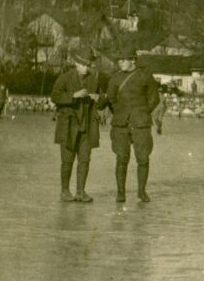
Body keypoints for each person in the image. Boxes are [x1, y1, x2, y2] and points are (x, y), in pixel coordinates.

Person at [105, 47, 161, 203]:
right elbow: (111, 98)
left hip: (141, 124)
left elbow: (154, 99)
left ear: (133, 60)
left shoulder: (145, 76)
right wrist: (120, 112)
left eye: (124, 60)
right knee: (121, 158)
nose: (120, 63)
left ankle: (141, 192)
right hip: (121, 125)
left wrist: (142, 113)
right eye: (119, 60)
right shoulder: (115, 78)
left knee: (143, 158)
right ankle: (120, 193)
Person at [51, 48, 104, 203]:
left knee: (85, 160)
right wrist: (73, 96)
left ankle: (81, 191)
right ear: (76, 63)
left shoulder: (94, 80)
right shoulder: (65, 78)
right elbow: (54, 96)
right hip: (68, 125)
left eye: (89, 65)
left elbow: (101, 99)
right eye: (83, 65)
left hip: (87, 126)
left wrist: (98, 98)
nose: (87, 68)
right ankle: (65, 191)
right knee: (67, 160)